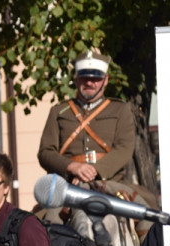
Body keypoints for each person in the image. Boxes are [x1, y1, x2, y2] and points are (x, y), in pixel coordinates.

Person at [38, 51, 134, 186]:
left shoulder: (120, 109)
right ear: (75, 78)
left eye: (96, 78)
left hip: (110, 183)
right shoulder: (58, 111)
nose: (89, 82)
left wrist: (94, 171)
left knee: (144, 205)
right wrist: (72, 167)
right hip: (67, 184)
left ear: (105, 80)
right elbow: (45, 152)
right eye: (84, 77)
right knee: (44, 208)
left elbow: (124, 149)